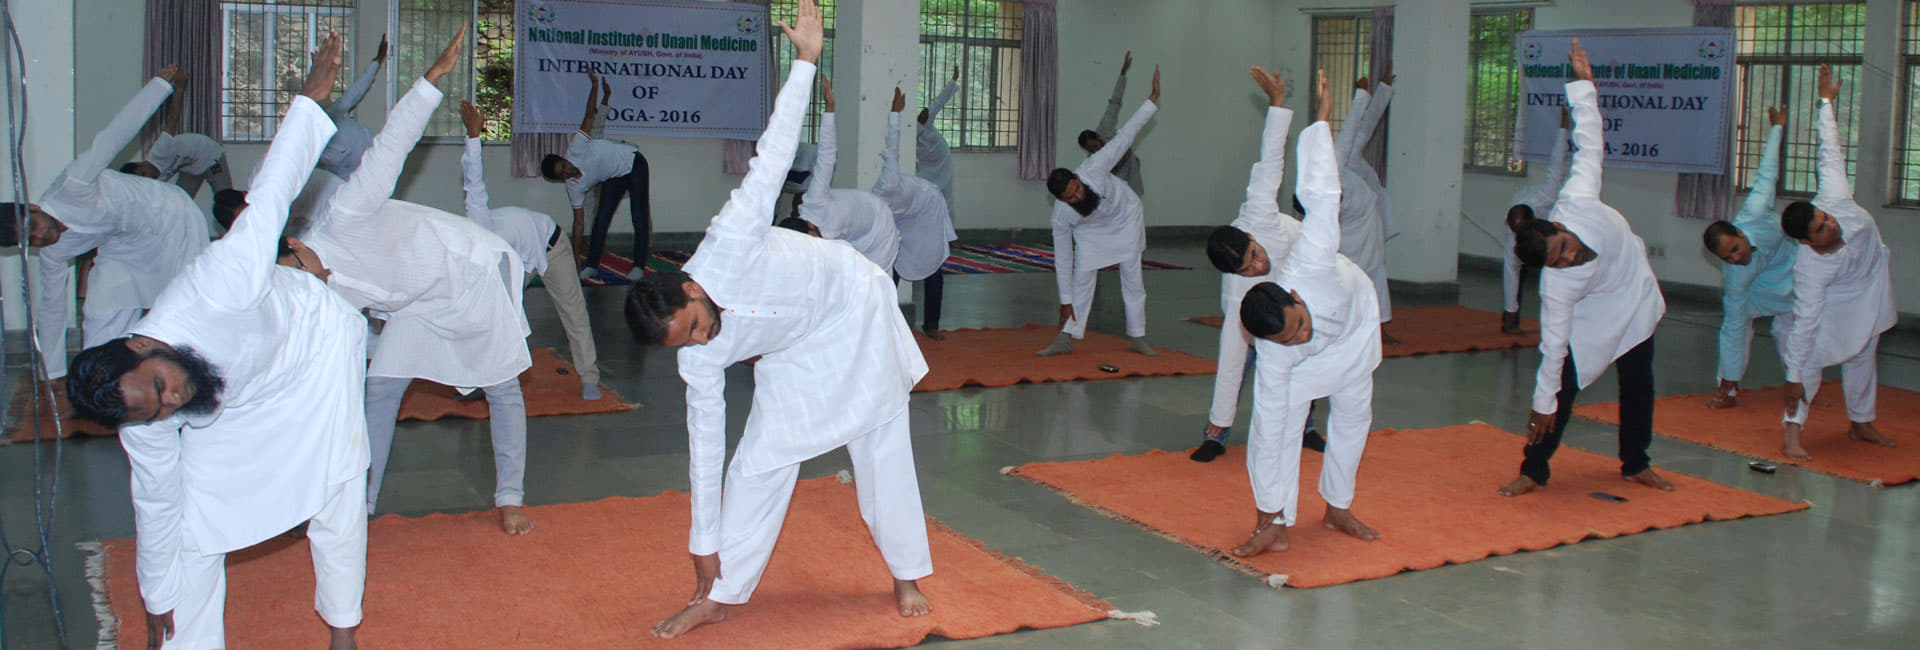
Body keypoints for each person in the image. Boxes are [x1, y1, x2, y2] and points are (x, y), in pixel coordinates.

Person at [625, 2, 933, 637]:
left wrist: (806, 64)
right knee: (757, 460)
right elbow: (704, 442)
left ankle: (905, 572)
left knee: (880, 439)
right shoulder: (697, 355)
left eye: (693, 326)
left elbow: (770, 159)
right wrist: (701, 538)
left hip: (852, 305)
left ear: (689, 288)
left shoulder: (730, 237)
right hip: (795, 349)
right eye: (684, 344)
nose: (700, 341)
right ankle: (721, 590)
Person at [63, 34, 366, 650]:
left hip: (316, 347)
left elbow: (270, 199)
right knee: (194, 523)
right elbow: (156, 502)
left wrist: (309, 101)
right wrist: (155, 600)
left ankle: (343, 630)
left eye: (159, 389)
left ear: (143, 345)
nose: (170, 402)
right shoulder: (145, 410)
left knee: (338, 479)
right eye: (155, 410)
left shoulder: (213, 287)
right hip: (240, 393)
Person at [282, 27, 538, 536]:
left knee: (502, 386)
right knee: (379, 389)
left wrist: (430, 80)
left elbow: (388, 150)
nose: (303, 288)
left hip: (473, 274)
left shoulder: (343, 215)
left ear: (295, 247)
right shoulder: (317, 293)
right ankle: (362, 502)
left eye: (295, 274)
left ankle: (510, 496)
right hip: (417, 306)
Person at [1501, 40, 1673, 498]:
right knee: (1563, 386)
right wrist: (1541, 406)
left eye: (1565, 249)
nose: (1570, 258)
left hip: (1633, 294)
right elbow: (1552, 350)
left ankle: (1636, 462)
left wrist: (1583, 84)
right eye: (1559, 262)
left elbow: (1589, 139)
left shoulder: (1578, 196)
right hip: (1592, 315)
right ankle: (1533, 468)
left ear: (1559, 225)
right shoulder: (1559, 286)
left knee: (1640, 381)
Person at [1228, 68, 1382, 557]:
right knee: (1275, 423)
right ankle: (1274, 519)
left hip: (1355, 328)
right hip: (1305, 369)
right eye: (1288, 339)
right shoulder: (1277, 354)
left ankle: (1338, 506)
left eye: (1298, 326)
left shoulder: (1311, 260)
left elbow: (1320, 196)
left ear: (1295, 298)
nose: (1299, 335)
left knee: (1354, 417)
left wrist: (1320, 121)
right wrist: (1264, 515)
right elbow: (1268, 429)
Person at [1, 65, 209, 383]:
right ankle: (100, 381)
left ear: (32, 207)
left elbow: (116, 133)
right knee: (101, 304)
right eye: (29, 241)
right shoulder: (53, 255)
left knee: (186, 301)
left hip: (169, 216)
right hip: (125, 244)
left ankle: (193, 375)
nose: (40, 235)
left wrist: (159, 86)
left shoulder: (73, 184)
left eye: (32, 225)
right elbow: (52, 309)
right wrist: (51, 374)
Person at [1193, 66, 1325, 463]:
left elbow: (1270, 160)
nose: (1255, 268)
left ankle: (1306, 425)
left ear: (1252, 239)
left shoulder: (1259, 213)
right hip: (1256, 301)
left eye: (1253, 258)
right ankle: (1217, 431)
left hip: (1300, 269)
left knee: (1303, 349)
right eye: (1246, 270)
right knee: (1235, 356)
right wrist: (1247, 280)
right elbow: (1235, 355)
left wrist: (1277, 103)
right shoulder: (1239, 284)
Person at [1777, 64, 1899, 460]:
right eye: (1822, 229)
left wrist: (1825, 102)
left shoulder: (1834, 195)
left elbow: (1829, 150)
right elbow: (1805, 323)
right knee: (1809, 357)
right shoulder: (1810, 268)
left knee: (1865, 351)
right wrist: (1792, 378)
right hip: (1835, 301)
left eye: (1826, 220)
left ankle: (1861, 421)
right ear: (1807, 243)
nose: (1831, 225)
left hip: (1871, 282)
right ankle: (1792, 431)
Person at [460, 100, 603, 401]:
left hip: (550, 245)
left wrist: (473, 136)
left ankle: (589, 377)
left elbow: (473, 179)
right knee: (494, 316)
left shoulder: (478, 218)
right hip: (519, 259)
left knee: (573, 312)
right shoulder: (473, 258)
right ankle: (483, 380)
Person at [1038, 65, 1161, 358]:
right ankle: (1066, 337)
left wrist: (1152, 99)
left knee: (1132, 275)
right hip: (1091, 233)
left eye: (1077, 189)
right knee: (1082, 276)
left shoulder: (1095, 166)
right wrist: (1065, 300)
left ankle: (1138, 336)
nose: (1077, 196)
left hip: (1125, 217)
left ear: (1078, 178)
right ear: (1062, 200)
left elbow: (1126, 135)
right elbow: (1063, 257)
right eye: (1070, 197)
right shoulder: (1062, 215)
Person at [1701, 106, 1794, 412]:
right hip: (1756, 287)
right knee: (1737, 327)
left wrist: (1777, 128)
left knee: (1788, 331)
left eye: (1736, 249)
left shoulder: (1755, 211)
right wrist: (1728, 379)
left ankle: (1804, 383)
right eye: (1726, 257)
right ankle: (1727, 388)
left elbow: (1767, 173)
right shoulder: (1735, 275)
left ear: (1740, 233)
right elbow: (1733, 327)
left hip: (1791, 270)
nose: (1735, 258)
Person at [541, 70, 652, 282]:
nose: (568, 170)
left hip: (634, 163)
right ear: (560, 179)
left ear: (565, 159)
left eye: (564, 165)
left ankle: (638, 266)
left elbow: (589, 116)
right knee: (600, 221)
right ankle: (591, 265)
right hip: (613, 177)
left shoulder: (577, 148)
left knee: (639, 217)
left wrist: (594, 86)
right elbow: (578, 224)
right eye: (562, 173)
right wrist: (575, 257)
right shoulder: (573, 188)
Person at [796, 77, 899, 272]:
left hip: (877, 225)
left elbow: (826, 156)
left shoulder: (814, 200)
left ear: (809, 229)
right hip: (851, 240)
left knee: (877, 291)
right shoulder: (816, 242)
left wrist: (830, 108)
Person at [877, 87, 957, 339]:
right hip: (908, 218)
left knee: (934, 265)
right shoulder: (876, 201)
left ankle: (931, 325)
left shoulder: (891, 177)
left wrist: (895, 113)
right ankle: (883, 320)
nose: (923, 119)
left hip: (930, 204)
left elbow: (893, 143)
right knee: (894, 264)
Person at [1501, 108, 1571, 334]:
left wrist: (1563, 127)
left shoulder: (1547, 195)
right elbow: (1510, 271)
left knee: (1558, 271)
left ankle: (1562, 321)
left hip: (1558, 222)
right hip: (1536, 228)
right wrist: (1510, 311)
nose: (1516, 236)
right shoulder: (1514, 233)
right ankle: (1511, 320)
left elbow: (1557, 162)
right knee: (1515, 271)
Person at [1332, 78, 1392, 331]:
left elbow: (1361, 126)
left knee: (1376, 270)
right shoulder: (1329, 176)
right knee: (1349, 275)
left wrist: (1376, 92)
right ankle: (1343, 318)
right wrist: (1363, 94)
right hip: (1348, 232)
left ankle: (1379, 324)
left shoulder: (1343, 160)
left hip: (1368, 221)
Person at [120, 74, 231, 199]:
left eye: (144, 174)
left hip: (210, 154)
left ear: (142, 164)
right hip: (190, 167)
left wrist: (179, 88)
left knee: (226, 199)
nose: (149, 179)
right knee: (180, 201)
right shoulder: (155, 183)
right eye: (145, 180)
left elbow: (173, 118)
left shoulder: (160, 151)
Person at [316, 35, 386, 180]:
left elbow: (358, 89)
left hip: (379, 153)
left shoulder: (334, 112)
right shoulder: (315, 152)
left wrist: (377, 60)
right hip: (361, 182)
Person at [1077, 50, 1145, 197]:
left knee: (1133, 203)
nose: (1095, 151)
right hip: (1112, 183)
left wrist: (1123, 74)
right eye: (1091, 150)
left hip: (1128, 167)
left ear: (1098, 137)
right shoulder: (1091, 161)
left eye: (1095, 146)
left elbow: (1115, 102)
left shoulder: (1105, 127)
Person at [915, 66, 960, 211]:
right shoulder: (905, 137)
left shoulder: (924, 120)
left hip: (941, 160)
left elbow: (939, 101)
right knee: (923, 196)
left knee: (943, 197)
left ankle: (944, 228)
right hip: (927, 168)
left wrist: (953, 81)